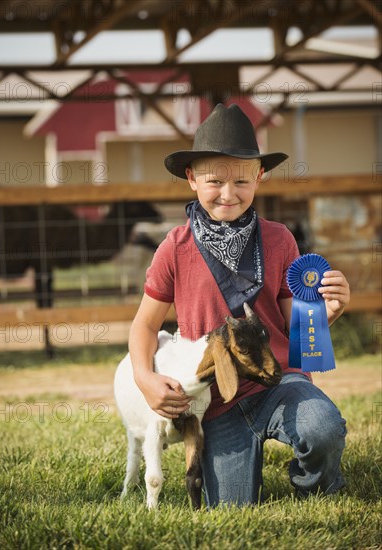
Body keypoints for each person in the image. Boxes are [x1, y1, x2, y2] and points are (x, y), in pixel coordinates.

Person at [128, 103, 349, 506]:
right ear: (192, 178)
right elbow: (144, 325)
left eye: (242, 182)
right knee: (231, 508)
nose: (228, 194)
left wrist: (327, 314)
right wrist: (145, 378)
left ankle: (315, 485)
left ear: (260, 177)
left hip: (280, 379)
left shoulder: (281, 239)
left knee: (323, 428)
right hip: (214, 400)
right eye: (214, 181)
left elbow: (293, 328)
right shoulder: (174, 247)